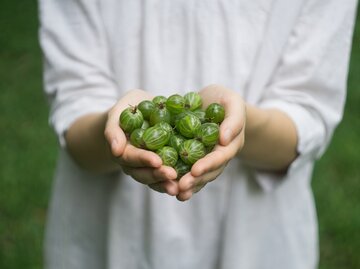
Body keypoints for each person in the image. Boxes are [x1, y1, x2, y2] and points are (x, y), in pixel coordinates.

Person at [38, 0, 358, 268]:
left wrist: (243, 124)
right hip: (108, 233)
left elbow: (305, 115)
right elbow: (75, 105)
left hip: (255, 240)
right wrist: (114, 131)